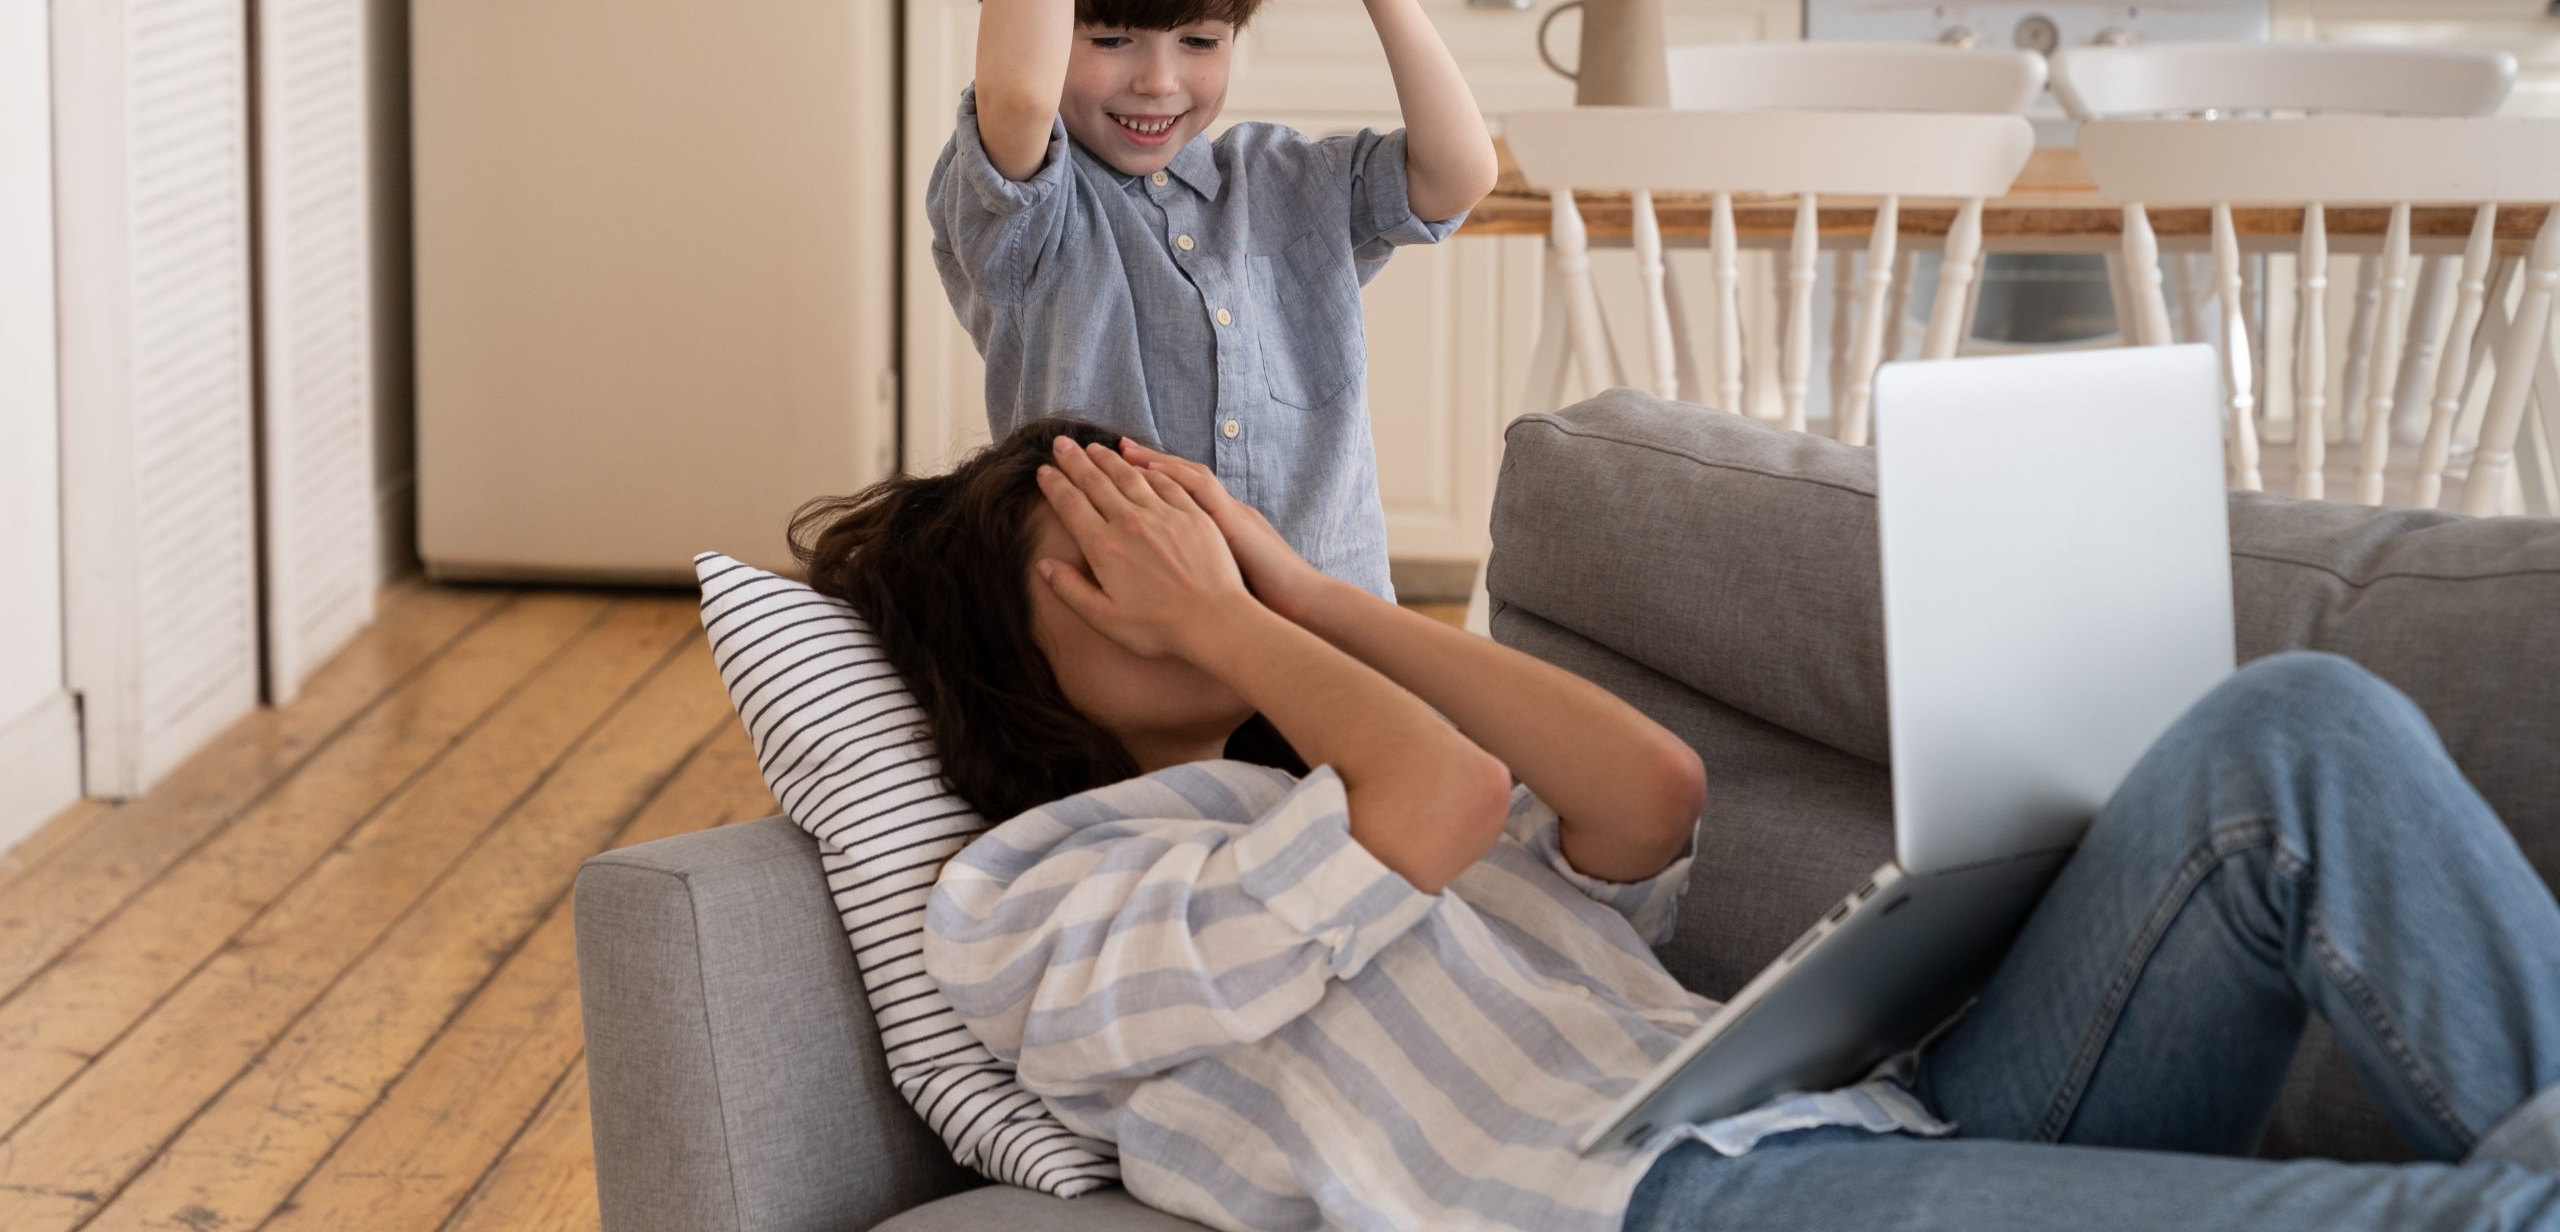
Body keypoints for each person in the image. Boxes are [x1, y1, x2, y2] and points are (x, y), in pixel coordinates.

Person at [793, 419, 2560, 1232]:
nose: (1179, 555)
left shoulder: (1329, 762)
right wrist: (1238, 625)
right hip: (1658, 1214)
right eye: (1109, 551)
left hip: (1849, 1118)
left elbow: (1648, 795)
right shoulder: (1030, 894)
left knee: (2294, 726)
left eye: (1187, 519)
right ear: (1000, 654)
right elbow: (1445, 796)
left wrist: (1306, 595)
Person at [927, 0, 1499, 604]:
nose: (1159, 81)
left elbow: (1458, 174)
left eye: (1200, 41)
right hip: (1127, 646)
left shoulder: (1280, 180)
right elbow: (1016, 90)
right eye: (1110, 39)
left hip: (1329, 631)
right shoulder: (1031, 214)